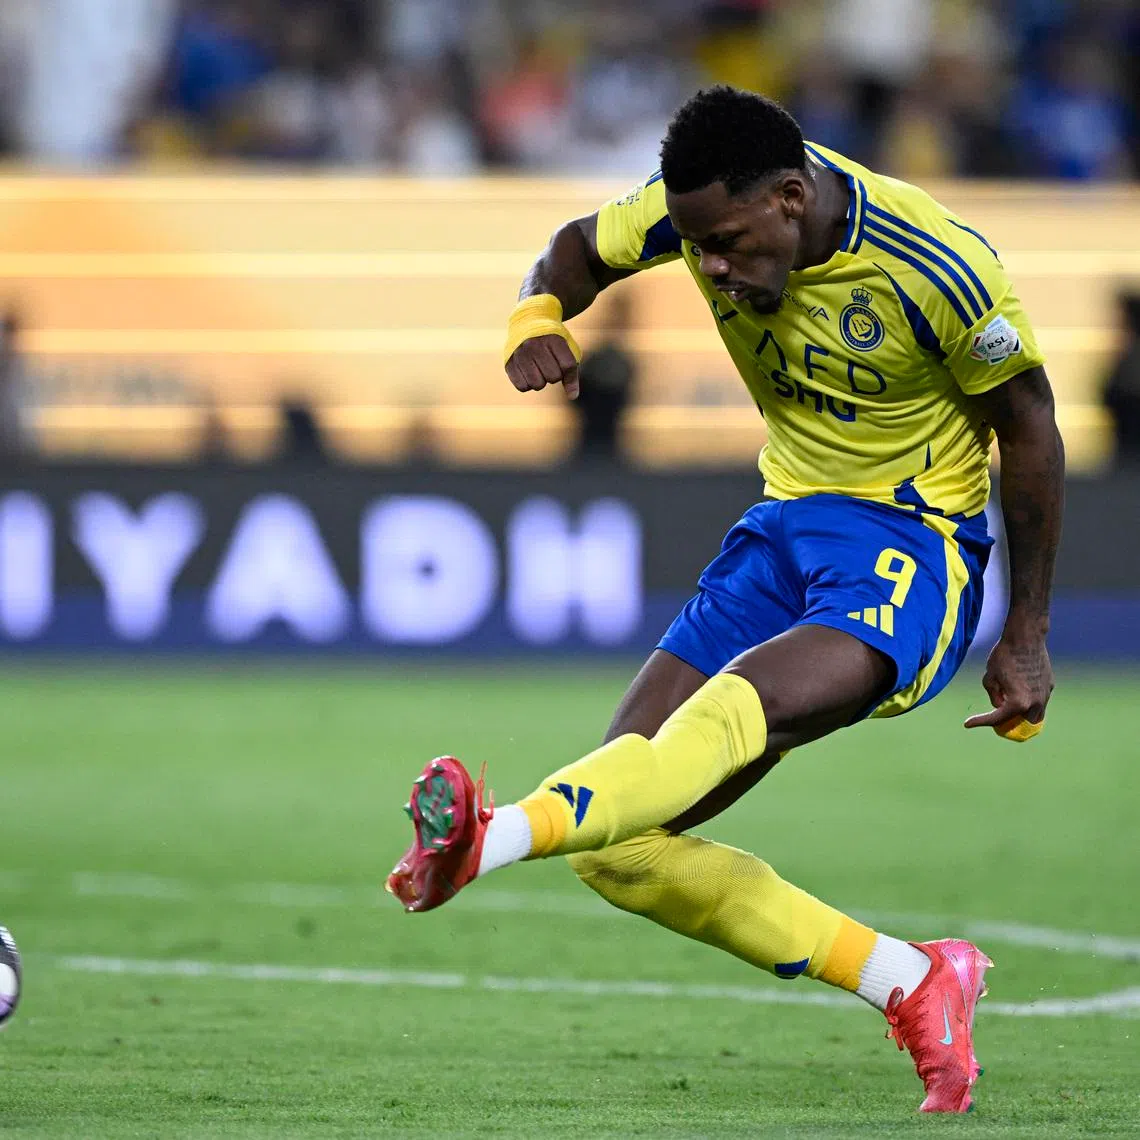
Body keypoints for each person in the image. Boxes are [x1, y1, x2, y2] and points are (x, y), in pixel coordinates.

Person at [387, 87, 1063, 1113]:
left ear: (793, 199)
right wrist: (535, 315)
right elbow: (574, 247)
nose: (709, 267)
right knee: (621, 851)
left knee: (730, 715)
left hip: (913, 546)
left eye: (731, 243)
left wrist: (1027, 632)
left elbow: (1032, 428)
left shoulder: (940, 266)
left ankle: (487, 839)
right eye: (695, 245)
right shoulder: (691, 210)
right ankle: (912, 981)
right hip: (781, 531)